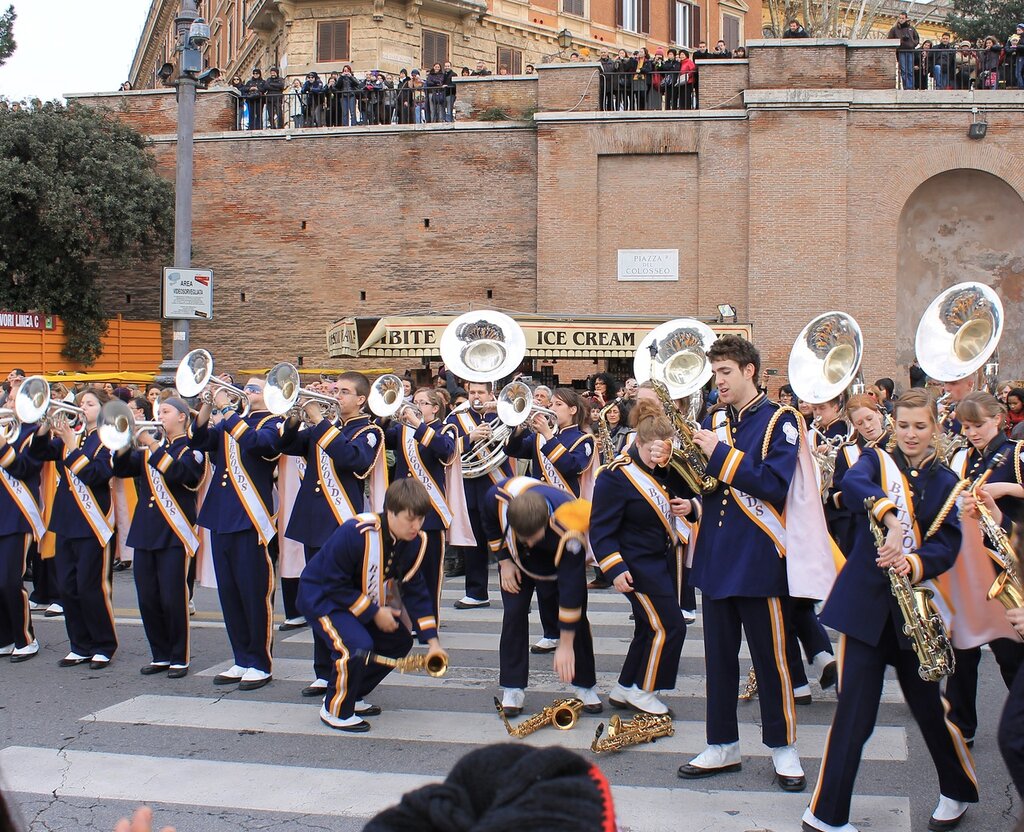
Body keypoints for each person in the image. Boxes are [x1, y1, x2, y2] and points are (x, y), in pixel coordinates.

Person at [803, 389, 979, 832]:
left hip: (913, 615)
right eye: (903, 426)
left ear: (934, 429)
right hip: (864, 608)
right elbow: (853, 484)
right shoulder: (875, 462)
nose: (910, 434)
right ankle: (825, 815)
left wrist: (914, 561)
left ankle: (957, 789)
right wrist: (890, 516)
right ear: (892, 425)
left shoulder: (947, 484)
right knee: (853, 714)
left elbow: (948, 544)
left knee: (931, 713)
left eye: (920, 426)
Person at [678, 335, 836, 793]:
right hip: (716, 556)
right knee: (719, 661)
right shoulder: (715, 419)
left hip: (760, 558)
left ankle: (783, 747)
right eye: (715, 372)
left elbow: (773, 483)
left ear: (749, 371)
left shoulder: (780, 420)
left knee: (771, 661)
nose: (717, 381)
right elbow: (712, 487)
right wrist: (689, 480)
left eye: (725, 372)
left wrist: (718, 455)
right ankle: (722, 743)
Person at [297, 478, 448, 731]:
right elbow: (332, 583)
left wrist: (433, 643)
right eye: (410, 519)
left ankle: (352, 693)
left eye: (421, 519)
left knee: (399, 641)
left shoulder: (414, 542)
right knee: (356, 645)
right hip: (322, 597)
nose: (416, 526)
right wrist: (374, 612)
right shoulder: (357, 532)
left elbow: (417, 592)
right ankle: (335, 708)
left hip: (358, 599)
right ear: (390, 512)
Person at [276, 372, 385, 698]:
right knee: (317, 601)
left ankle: (347, 670)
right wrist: (294, 420)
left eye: (345, 392)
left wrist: (320, 422)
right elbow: (286, 446)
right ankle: (324, 672)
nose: (337, 395)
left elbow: (355, 461)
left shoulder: (369, 432)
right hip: (314, 525)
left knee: (342, 602)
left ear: (361, 399)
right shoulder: (322, 428)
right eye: (335, 390)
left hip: (341, 529)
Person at [590, 399, 688, 715]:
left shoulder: (666, 467)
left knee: (648, 627)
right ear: (639, 442)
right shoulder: (616, 474)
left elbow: (693, 494)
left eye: (664, 451)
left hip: (660, 561)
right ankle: (645, 691)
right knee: (670, 627)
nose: (658, 458)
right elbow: (600, 529)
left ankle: (625, 687)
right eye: (652, 452)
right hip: (635, 566)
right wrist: (614, 568)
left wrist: (692, 507)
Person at [939, 392, 1024, 749]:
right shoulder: (964, 457)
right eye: (967, 426)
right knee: (963, 646)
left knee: (1009, 652)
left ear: (999, 419)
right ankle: (961, 722)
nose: (972, 432)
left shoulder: (1017, 453)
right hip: (971, 562)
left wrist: (1006, 487)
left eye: (979, 425)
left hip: (1006, 562)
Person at [191, 377, 283, 691]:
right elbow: (198, 440)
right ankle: (241, 657)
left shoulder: (275, 423)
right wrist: (206, 402)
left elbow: (260, 446)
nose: (248, 391)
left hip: (251, 520)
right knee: (229, 594)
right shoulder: (234, 421)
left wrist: (227, 409)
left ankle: (260, 662)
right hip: (221, 515)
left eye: (254, 389)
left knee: (254, 594)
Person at [483, 478, 600, 716]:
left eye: (532, 537)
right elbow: (490, 524)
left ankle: (585, 684)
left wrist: (565, 644)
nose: (529, 542)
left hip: (554, 553)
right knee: (514, 613)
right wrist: (504, 559)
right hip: (515, 559)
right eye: (524, 536)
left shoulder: (570, 529)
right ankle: (513, 687)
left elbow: (572, 590)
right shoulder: (496, 496)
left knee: (578, 619)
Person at [112, 398, 204, 678]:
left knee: (172, 596)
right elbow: (120, 468)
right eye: (158, 412)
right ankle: (160, 654)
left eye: (165, 412)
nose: (159, 416)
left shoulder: (193, 449)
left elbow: (182, 475)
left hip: (174, 532)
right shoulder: (146, 449)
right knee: (148, 598)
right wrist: (124, 440)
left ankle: (179, 657)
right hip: (146, 531)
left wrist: (152, 445)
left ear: (182, 417)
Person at [30, 387, 117, 669]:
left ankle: (103, 644)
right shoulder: (76, 436)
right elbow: (39, 451)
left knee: (90, 587)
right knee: (67, 587)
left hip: (93, 522)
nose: (84, 407)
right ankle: (79, 645)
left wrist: (70, 444)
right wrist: (46, 424)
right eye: (82, 403)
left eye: (90, 403)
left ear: (102, 409)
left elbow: (95, 475)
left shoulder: (109, 441)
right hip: (66, 520)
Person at [505, 388, 595, 654]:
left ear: (572, 410)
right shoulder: (537, 437)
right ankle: (550, 631)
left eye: (558, 404)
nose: (551, 408)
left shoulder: (582, 440)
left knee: (568, 577)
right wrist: (519, 428)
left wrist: (547, 435)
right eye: (551, 403)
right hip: (539, 512)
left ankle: (574, 630)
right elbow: (512, 449)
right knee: (544, 576)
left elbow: (571, 467)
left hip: (567, 516)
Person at [384, 388, 456, 621]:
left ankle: (428, 622)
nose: (416, 406)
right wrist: (385, 413)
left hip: (430, 512)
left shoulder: (445, 429)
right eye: (415, 402)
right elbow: (381, 437)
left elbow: (444, 450)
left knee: (429, 571)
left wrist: (417, 423)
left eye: (423, 403)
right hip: (401, 509)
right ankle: (403, 619)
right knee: (399, 569)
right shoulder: (401, 430)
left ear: (435, 408)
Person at [445, 380, 515, 609]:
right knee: (473, 539)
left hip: (497, 481)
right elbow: (445, 446)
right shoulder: (456, 417)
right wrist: (470, 438)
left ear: (490, 393)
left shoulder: (504, 413)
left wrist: (502, 415)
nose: (476, 396)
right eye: (472, 392)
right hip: (469, 484)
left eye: (481, 392)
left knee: (507, 537)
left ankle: (515, 590)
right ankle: (476, 592)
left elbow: (518, 437)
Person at [0, 399, 44, 662]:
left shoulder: (33, 433)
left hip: (17, 516)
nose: (9, 402)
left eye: (16, 398)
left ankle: (26, 638)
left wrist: (3, 446)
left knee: (9, 581)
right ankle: (4, 638)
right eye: (9, 398)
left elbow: (26, 468)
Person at [889, 12, 920, 90]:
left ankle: (911, 87)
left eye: (903, 18)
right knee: (903, 70)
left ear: (906, 18)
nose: (901, 20)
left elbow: (917, 39)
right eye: (900, 18)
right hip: (901, 51)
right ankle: (906, 87)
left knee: (910, 70)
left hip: (910, 51)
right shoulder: (894, 29)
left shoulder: (911, 29)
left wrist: (913, 44)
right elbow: (890, 40)